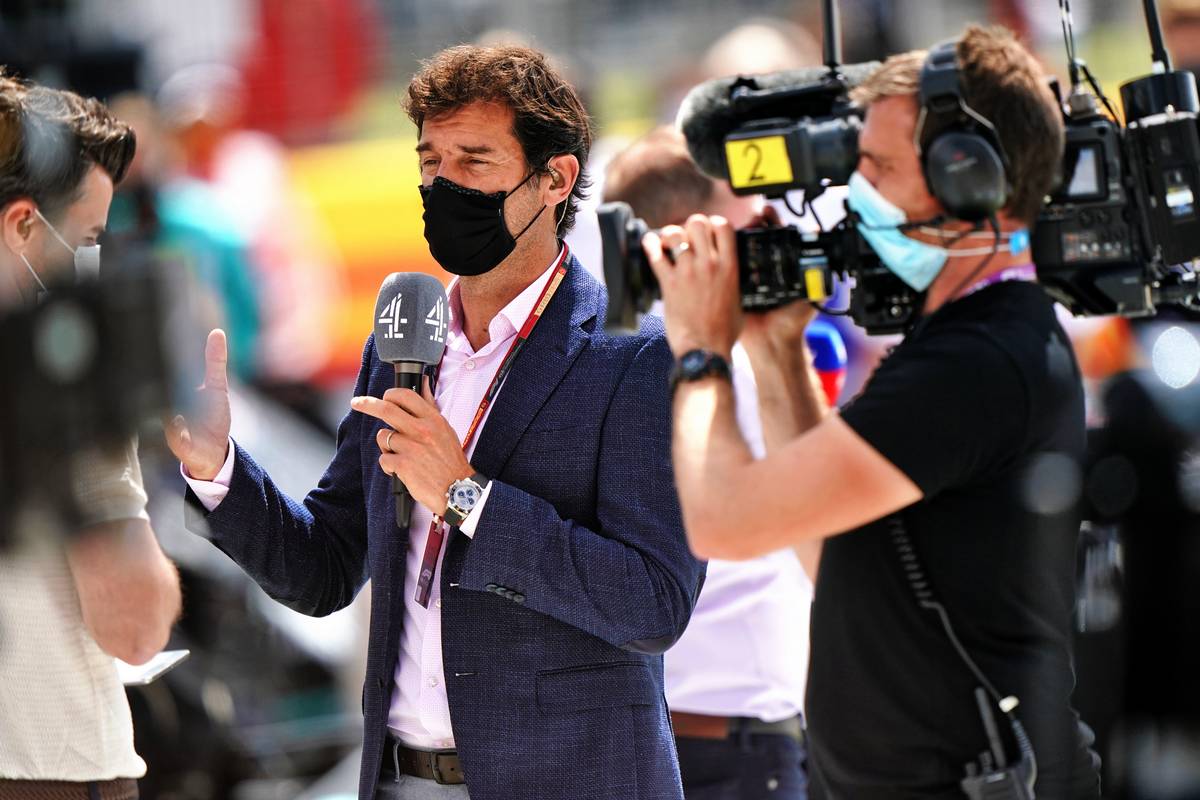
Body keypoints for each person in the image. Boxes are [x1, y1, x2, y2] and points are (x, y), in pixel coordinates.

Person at [167, 45, 704, 800]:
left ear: (554, 179)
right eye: (430, 160)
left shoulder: (634, 356)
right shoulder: (399, 346)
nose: (442, 183)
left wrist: (467, 497)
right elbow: (325, 569)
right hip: (400, 780)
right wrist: (216, 464)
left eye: (474, 161)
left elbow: (652, 604)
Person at [645, 26, 1102, 798]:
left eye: (879, 166)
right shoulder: (964, 338)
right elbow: (843, 554)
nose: (856, 188)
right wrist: (774, 349)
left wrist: (699, 351)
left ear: (970, 182)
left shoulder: (979, 363)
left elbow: (725, 520)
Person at [603, 127, 810, 800]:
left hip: (654, 734)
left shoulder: (601, 361)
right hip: (737, 737)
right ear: (703, 229)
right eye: (740, 218)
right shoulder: (722, 360)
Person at [0, 74, 181, 800]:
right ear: (22, 227)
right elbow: (133, 626)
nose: (93, 264)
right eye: (88, 239)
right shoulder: (60, 389)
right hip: (49, 773)